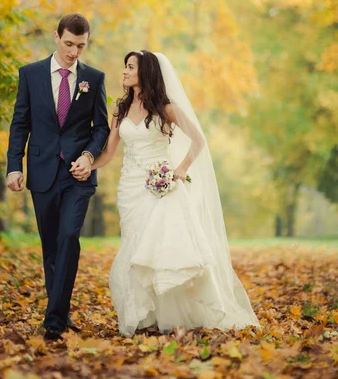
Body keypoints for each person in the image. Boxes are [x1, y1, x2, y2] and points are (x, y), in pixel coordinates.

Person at [90, 50, 260, 336]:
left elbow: (198, 140)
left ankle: (170, 316)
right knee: (134, 248)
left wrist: (180, 169)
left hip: (160, 187)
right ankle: (145, 316)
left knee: (159, 249)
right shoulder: (120, 110)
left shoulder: (165, 108)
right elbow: (108, 153)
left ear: (145, 73)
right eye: (125, 67)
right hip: (130, 188)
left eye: (130, 67)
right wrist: (87, 165)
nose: (124, 72)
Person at [6, 14, 110, 341]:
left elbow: (102, 127)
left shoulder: (93, 78)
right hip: (41, 172)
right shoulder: (30, 75)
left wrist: (89, 157)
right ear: (56, 37)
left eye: (81, 46)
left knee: (68, 237)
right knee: (50, 246)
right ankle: (60, 314)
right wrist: (14, 165)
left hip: (78, 176)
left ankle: (53, 321)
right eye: (68, 44)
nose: (73, 52)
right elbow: (20, 123)